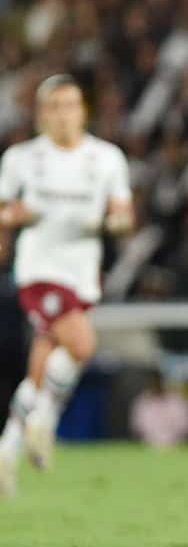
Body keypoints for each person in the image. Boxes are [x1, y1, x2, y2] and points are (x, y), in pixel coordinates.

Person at [0, 75, 133, 495]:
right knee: (82, 345)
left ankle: (7, 450)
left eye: (70, 105)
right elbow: (3, 210)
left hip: (82, 272)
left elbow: (124, 214)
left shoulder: (106, 157)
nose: (62, 114)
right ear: (41, 113)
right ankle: (43, 422)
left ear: (83, 110)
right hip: (39, 269)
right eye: (54, 106)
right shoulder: (22, 158)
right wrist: (14, 216)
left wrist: (114, 221)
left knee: (43, 365)